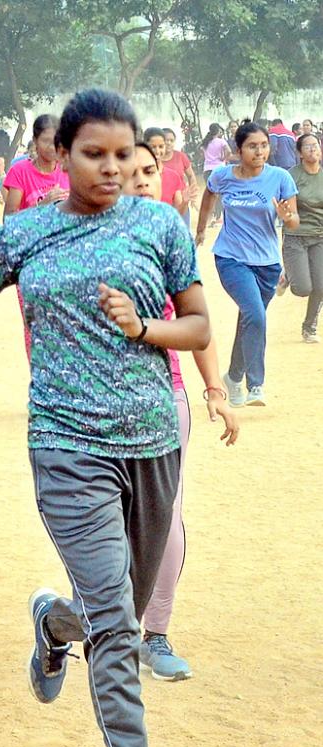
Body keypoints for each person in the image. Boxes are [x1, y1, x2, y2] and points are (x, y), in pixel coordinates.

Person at [0, 87, 211, 747]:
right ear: (59, 155)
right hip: (66, 448)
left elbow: (196, 324)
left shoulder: (159, 225)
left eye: (124, 154)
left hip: (153, 444)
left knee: (105, 611)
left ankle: (55, 625)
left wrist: (144, 325)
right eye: (95, 153)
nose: (113, 167)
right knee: (120, 619)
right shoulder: (21, 235)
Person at [128, 143, 239, 681]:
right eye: (132, 173)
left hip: (164, 397)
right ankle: (103, 625)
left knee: (165, 518)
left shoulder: (172, 245)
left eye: (151, 172)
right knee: (111, 522)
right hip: (94, 407)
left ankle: (157, 634)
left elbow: (198, 324)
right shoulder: (82, 241)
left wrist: (215, 390)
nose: (143, 181)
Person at [196, 120, 299, 407]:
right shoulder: (223, 176)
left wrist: (286, 215)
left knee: (250, 318)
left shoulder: (280, 178)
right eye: (252, 146)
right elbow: (208, 195)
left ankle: (233, 376)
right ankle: (256, 384)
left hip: (267, 263)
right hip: (232, 258)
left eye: (264, 146)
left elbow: (294, 220)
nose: (260, 151)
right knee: (255, 313)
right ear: (238, 150)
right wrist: (201, 228)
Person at [3, 114, 70, 359]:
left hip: (67, 260)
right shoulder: (20, 171)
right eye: (46, 141)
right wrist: (43, 205)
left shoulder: (70, 170)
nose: (53, 148)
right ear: (34, 141)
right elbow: (9, 219)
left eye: (58, 142)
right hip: (31, 261)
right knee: (35, 326)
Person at [278, 133, 323, 342]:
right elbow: (284, 207)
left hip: (319, 236)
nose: (313, 149)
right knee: (303, 288)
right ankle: (288, 276)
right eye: (308, 146)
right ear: (299, 153)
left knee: (321, 286)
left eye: (316, 145)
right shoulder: (291, 176)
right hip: (296, 235)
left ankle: (309, 327)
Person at [162, 127, 198, 225]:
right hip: (163, 203)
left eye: (171, 140)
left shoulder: (181, 156)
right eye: (166, 140)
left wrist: (192, 193)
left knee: (183, 231)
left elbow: (191, 176)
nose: (168, 143)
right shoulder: (154, 159)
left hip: (182, 201)